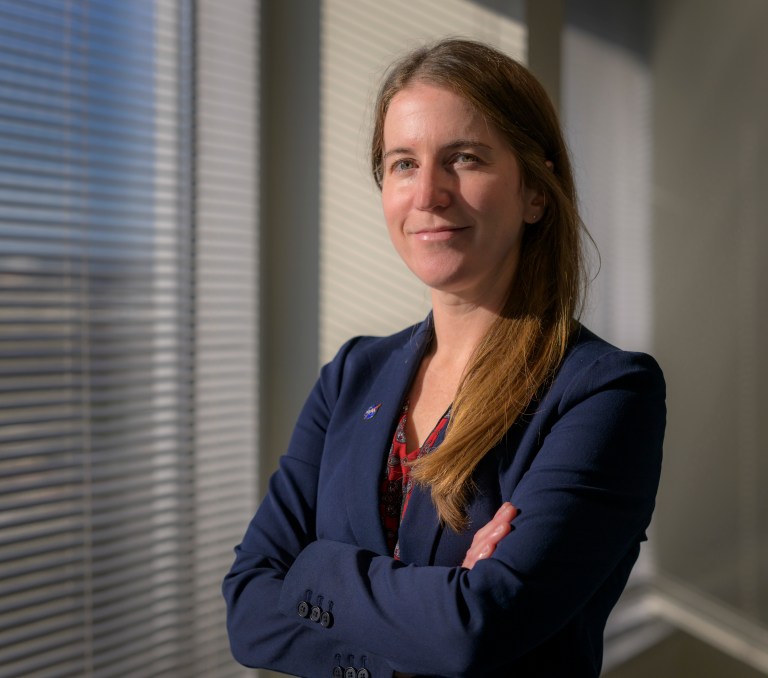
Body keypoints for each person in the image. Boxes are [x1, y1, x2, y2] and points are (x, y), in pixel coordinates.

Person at [223, 38, 665, 678]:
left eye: (464, 158)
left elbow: (478, 628)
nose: (428, 193)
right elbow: (248, 611)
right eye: (403, 163)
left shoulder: (605, 392)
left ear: (535, 193)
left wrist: (314, 569)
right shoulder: (352, 375)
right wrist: (431, 609)